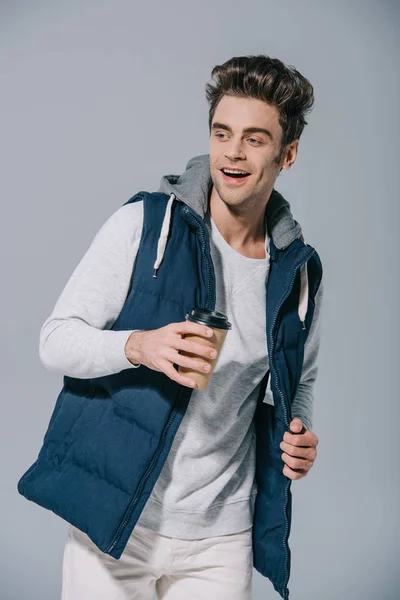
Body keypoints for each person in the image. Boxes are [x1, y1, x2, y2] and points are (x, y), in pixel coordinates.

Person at [17, 55, 324, 600]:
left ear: (288, 153)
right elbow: (55, 340)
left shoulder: (297, 270)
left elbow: (298, 381)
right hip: (117, 522)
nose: (233, 151)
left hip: (221, 538)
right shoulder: (144, 224)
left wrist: (296, 433)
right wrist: (139, 346)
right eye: (222, 132)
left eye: (255, 139)